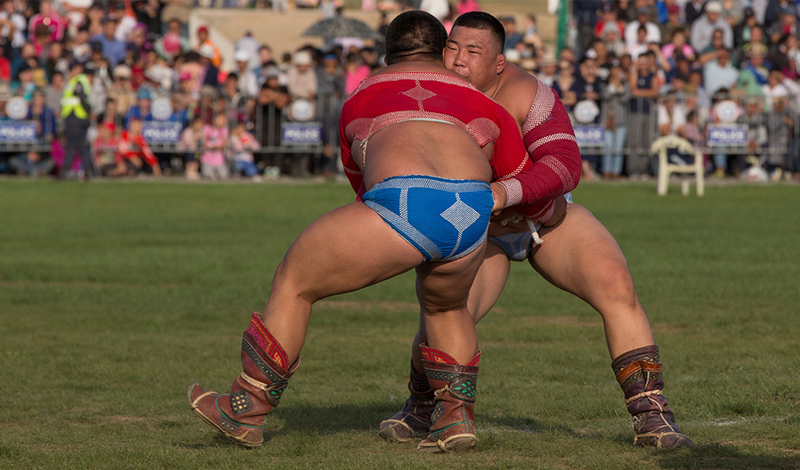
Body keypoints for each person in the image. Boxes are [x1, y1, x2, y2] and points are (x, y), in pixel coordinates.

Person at [187, 10, 550, 453]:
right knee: (446, 309)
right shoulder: (485, 102)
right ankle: (455, 421)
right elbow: (517, 173)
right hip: (471, 213)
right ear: (441, 53)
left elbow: (362, 180)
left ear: (386, 53)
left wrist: (402, 228)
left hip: (405, 200)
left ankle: (246, 408)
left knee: (295, 280)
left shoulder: (362, 94)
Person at [379, 11, 694, 450]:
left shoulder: (529, 92)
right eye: (452, 47)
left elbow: (564, 165)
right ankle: (420, 405)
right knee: (446, 307)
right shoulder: (427, 94)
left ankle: (653, 416)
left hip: (543, 217)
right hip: (478, 230)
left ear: (499, 62)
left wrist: (503, 193)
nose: (458, 59)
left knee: (616, 285)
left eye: (473, 51)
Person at [59, 59, 94, 179]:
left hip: (76, 117)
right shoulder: (75, 81)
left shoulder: (78, 80)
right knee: (80, 146)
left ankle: (65, 170)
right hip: (76, 117)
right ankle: (87, 171)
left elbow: (81, 97)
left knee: (73, 146)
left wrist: (88, 111)